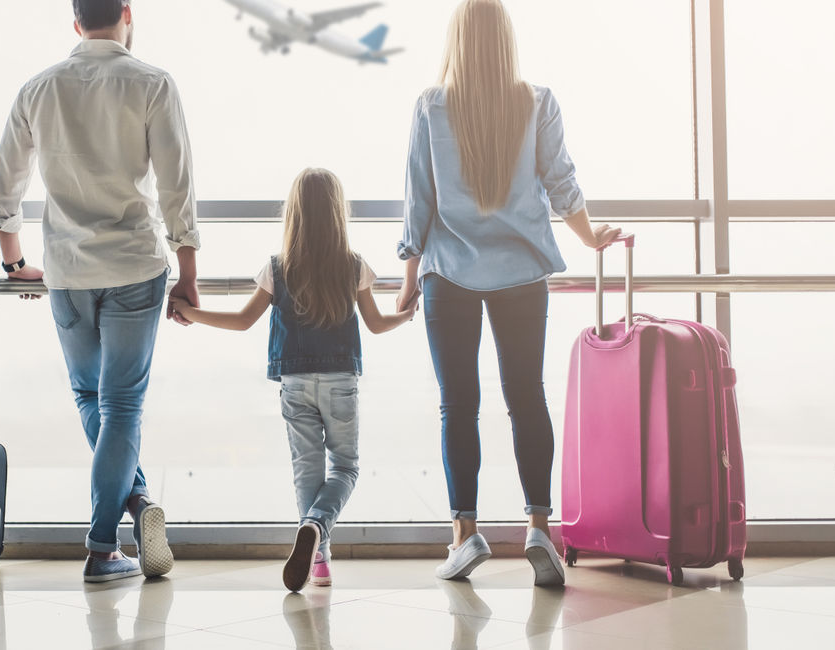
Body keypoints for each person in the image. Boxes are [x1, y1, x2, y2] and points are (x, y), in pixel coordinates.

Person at [394, 0, 622, 586]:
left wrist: (408, 276)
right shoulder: (537, 101)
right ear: (506, 41)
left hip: (449, 274)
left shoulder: (431, 106)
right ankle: (539, 528)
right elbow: (561, 181)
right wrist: (590, 236)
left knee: (458, 406)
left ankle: (465, 537)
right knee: (526, 397)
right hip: (521, 272)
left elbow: (418, 201)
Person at [0, 0, 201, 583]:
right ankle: (105, 541)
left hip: (67, 272)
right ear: (127, 13)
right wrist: (189, 273)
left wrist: (15, 264)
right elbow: (176, 187)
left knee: (91, 396)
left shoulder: (39, 89)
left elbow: (2, 192)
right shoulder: (153, 83)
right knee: (123, 405)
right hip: (135, 266)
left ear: (75, 20)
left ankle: (129, 510)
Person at [171, 168, 414, 592]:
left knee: (307, 470)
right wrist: (408, 314)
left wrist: (190, 313)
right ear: (338, 213)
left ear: (295, 214)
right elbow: (375, 324)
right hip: (340, 381)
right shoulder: (353, 265)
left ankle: (319, 560)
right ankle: (317, 527)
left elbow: (244, 321)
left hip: (295, 381)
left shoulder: (278, 267)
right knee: (345, 467)